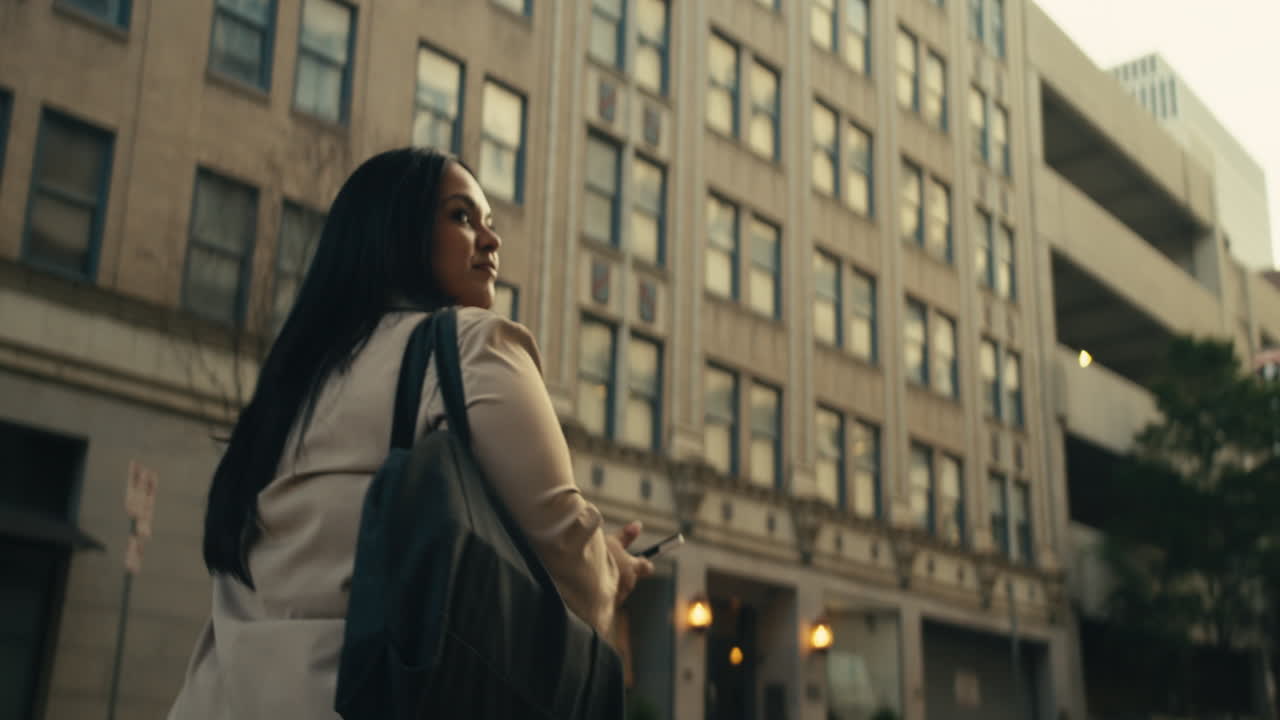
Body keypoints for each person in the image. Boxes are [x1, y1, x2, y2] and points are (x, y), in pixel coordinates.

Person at [167, 148, 654, 719]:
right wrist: (610, 569)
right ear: (395, 231)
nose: (492, 240)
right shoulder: (474, 346)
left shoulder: (289, 386)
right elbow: (566, 553)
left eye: (489, 222)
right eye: (462, 217)